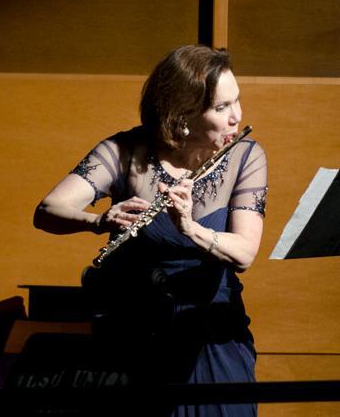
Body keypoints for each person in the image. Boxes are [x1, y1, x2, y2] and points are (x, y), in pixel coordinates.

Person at [33, 45, 267, 416]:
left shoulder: (245, 157)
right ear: (183, 117)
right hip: (138, 336)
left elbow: (245, 253)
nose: (237, 116)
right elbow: (47, 211)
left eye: (236, 101)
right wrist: (98, 221)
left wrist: (190, 227)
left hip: (213, 333)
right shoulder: (125, 152)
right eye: (221, 108)